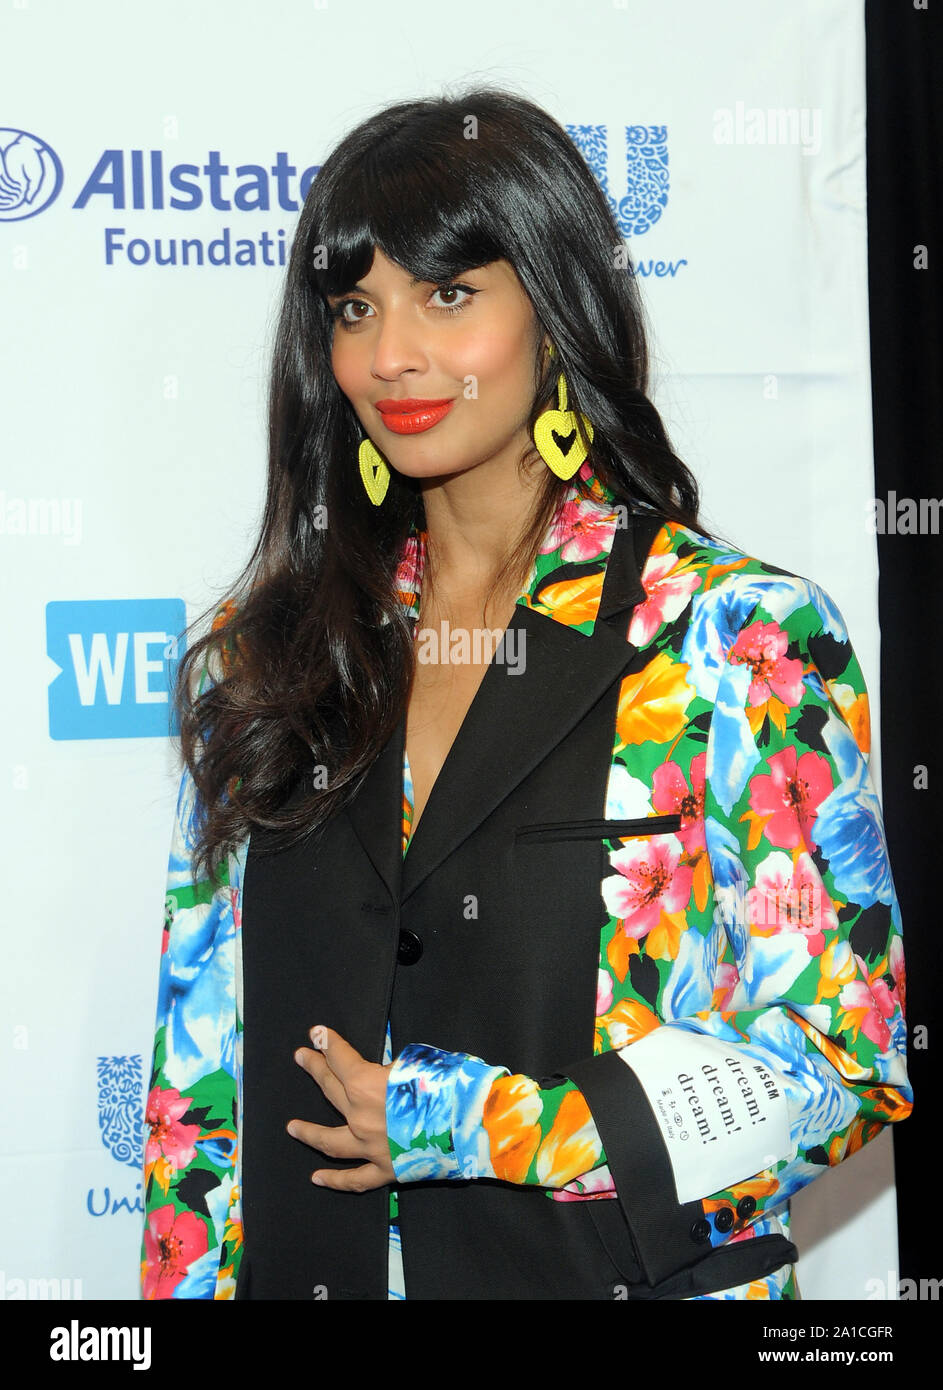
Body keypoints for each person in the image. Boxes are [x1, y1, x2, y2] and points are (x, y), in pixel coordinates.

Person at [140, 87, 912, 1301]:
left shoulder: (734, 635)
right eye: (355, 308)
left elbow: (840, 1061)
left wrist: (489, 1125)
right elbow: (198, 1100)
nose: (390, 354)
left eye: (448, 295)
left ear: (553, 307)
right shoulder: (266, 657)